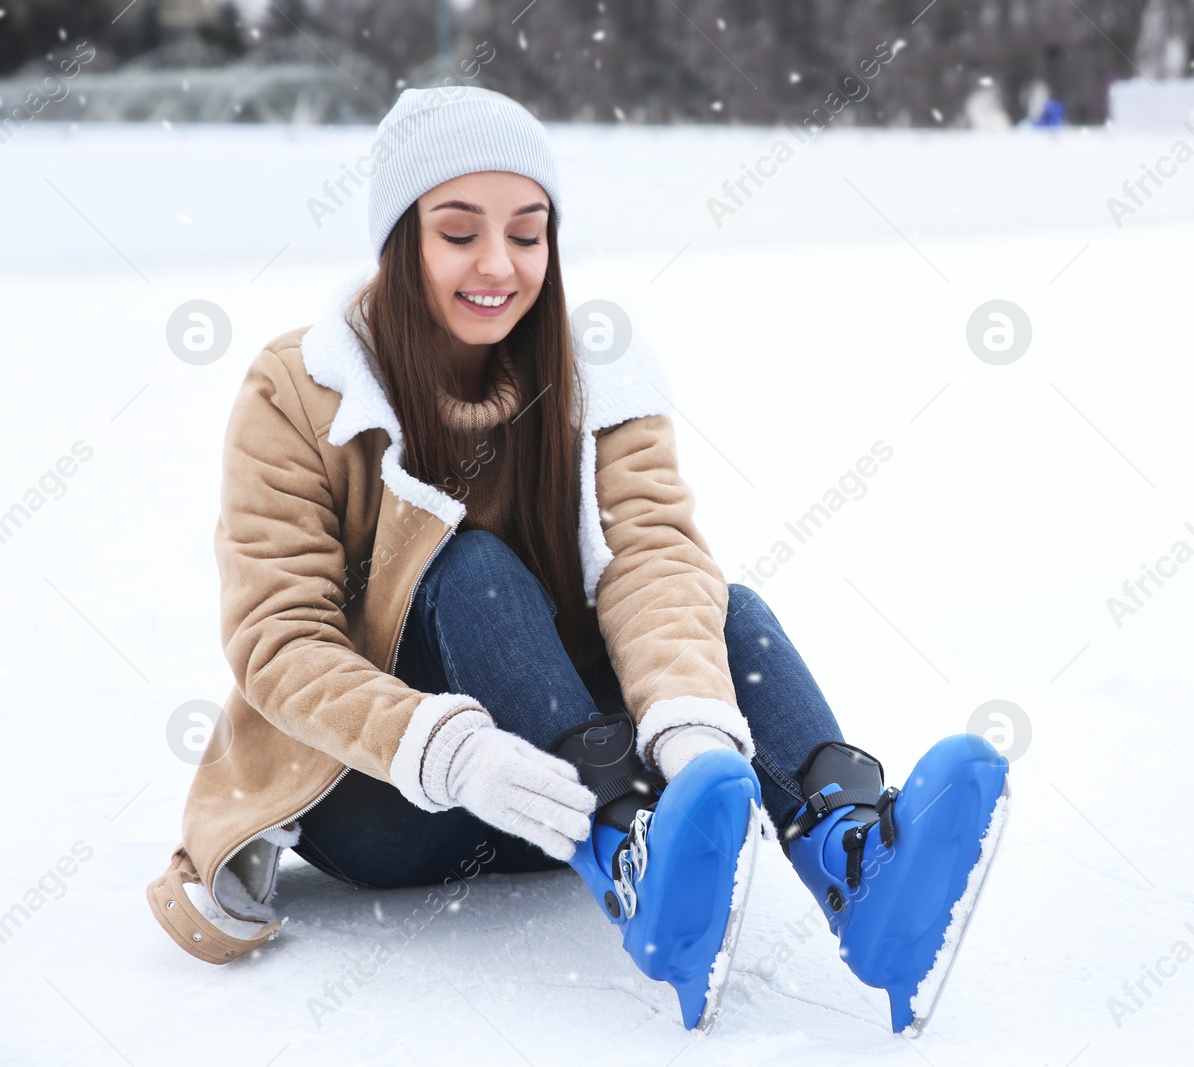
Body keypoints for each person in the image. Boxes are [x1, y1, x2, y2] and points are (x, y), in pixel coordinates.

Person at [145, 85, 1010, 1035]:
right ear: (401, 241)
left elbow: (655, 556)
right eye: (459, 230)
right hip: (394, 800)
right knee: (469, 566)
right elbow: (278, 639)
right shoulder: (301, 389)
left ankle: (856, 863)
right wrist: (447, 748)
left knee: (728, 610)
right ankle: (628, 849)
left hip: (558, 786)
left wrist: (689, 738)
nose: (498, 264)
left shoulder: (598, 372)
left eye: (527, 232)